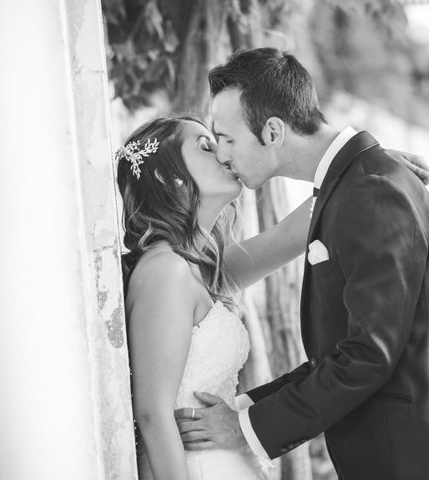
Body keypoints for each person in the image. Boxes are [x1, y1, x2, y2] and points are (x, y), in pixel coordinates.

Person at [116, 114, 427, 479]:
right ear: (166, 176)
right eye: (205, 145)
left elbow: (294, 230)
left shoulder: (201, 268)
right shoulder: (166, 270)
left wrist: (369, 164)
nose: (222, 153)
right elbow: (153, 415)